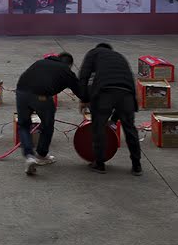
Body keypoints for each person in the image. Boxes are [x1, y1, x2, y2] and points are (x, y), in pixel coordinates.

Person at [15, 52, 84, 175]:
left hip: (21, 91)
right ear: (69, 64)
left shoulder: (40, 62)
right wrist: (87, 100)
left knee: (24, 125)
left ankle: (29, 156)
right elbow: (80, 91)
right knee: (47, 125)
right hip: (41, 96)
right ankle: (41, 154)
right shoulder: (65, 70)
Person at [78, 43, 142, 176]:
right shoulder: (120, 56)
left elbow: (84, 76)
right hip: (127, 93)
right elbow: (129, 79)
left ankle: (99, 164)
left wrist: (84, 99)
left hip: (105, 93)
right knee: (130, 128)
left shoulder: (93, 53)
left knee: (99, 127)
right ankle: (137, 166)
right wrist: (114, 119)